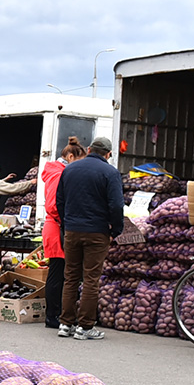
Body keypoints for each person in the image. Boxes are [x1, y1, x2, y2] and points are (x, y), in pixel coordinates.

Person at [56, 137, 123, 340]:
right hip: (97, 231)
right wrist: (116, 229)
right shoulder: (110, 172)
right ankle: (85, 327)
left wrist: (66, 224)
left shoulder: (70, 169)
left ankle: (65, 323)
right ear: (108, 154)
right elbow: (117, 205)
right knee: (91, 279)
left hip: (72, 230)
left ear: (88, 149)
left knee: (70, 277)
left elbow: (60, 200)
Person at [39, 137, 86, 329]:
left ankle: (58, 314)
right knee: (58, 272)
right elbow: (52, 205)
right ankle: (52, 316)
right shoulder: (57, 174)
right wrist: (67, 222)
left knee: (62, 272)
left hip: (59, 226)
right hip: (57, 227)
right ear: (70, 156)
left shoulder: (59, 172)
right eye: (79, 161)